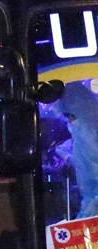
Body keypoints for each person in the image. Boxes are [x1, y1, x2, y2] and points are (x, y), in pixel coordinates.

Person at [57, 83, 98, 218]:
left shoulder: (91, 130)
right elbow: (84, 162)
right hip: (91, 201)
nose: (69, 121)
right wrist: (65, 155)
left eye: (71, 115)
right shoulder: (79, 131)